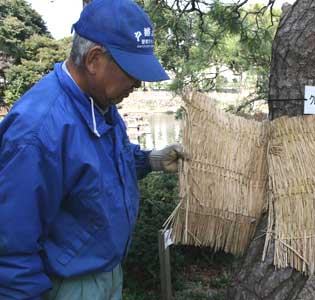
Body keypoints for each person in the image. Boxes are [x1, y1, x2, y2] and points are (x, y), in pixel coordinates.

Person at [0, 0, 184, 299]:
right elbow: (10, 250)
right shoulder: (39, 131)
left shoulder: (98, 104)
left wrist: (150, 160)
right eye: (131, 70)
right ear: (94, 59)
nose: (138, 83)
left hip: (107, 274)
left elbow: (97, 168)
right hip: (69, 286)